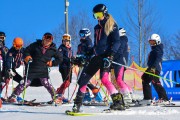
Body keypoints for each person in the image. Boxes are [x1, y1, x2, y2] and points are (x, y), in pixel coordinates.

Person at [72, 4, 125, 113]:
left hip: (106, 57)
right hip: (97, 56)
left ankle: (118, 102)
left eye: (99, 14)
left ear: (105, 13)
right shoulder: (97, 28)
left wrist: (110, 55)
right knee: (84, 79)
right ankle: (77, 105)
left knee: (104, 79)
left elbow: (117, 42)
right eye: (95, 15)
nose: (97, 17)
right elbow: (97, 45)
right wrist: (87, 54)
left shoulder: (112, 25)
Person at [8, 32, 63, 103]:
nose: (47, 42)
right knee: (25, 83)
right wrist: (27, 57)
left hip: (43, 70)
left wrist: (52, 63)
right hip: (32, 68)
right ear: (43, 38)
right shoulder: (35, 45)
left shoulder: (53, 50)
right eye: (46, 39)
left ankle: (55, 97)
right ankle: (13, 96)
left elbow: (60, 58)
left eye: (49, 40)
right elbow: (26, 51)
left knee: (46, 83)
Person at [139, 33, 168, 105]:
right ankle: (147, 98)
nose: (152, 43)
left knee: (154, 81)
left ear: (157, 41)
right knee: (145, 78)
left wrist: (153, 67)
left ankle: (164, 98)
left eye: (153, 42)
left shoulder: (158, 48)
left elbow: (158, 58)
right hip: (151, 67)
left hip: (155, 68)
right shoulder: (154, 49)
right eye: (150, 42)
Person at [77, 28, 103, 102]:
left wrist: (85, 58)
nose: (81, 36)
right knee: (80, 81)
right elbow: (80, 54)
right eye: (80, 34)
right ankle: (87, 95)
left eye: (82, 34)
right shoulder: (81, 44)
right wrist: (77, 60)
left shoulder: (88, 42)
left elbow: (90, 53)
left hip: (87, 63)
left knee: (83, 80)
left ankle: (96, 94)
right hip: (82, 64)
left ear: (87, 34)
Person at [112, 28, 133, 105]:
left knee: (119, 80)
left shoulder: (122, 39)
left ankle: (127, 98)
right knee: (120, 80)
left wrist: (112, 56)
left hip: (120, 61)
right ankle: (129, 93)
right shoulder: (123, 39)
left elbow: (119, 51)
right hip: (120, 61)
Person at [56, 34, 73, 103]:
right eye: (64, 41)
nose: (66, 42)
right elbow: (61, 57)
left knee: (68, 82)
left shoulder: (69, 49)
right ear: (62, 41)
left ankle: (59, 92)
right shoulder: (61, 48)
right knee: (66, 81)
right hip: (64, 66)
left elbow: (70, 57)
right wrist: (69, 60)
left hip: (69, 67)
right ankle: (59, 94)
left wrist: (73, 59)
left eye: (67, 41)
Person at [0, 31, 9, 99]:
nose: (1, 39)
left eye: (2, 38)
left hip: (4, 67)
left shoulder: (6, 48)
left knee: (3, 82)